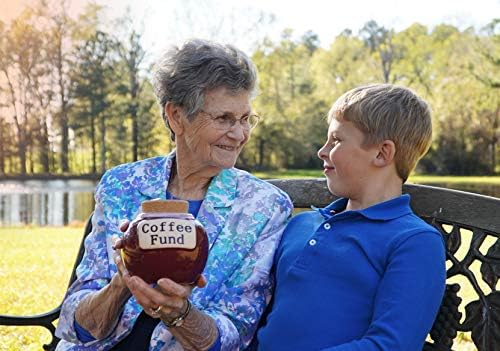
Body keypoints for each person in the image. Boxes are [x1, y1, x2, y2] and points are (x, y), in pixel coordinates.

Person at [55, 39, 293, 351]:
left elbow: (235, 335)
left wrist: (179, 313)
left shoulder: (263, 207)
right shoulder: (123, 184)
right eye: (224, 119)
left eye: (246, 118)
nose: (240, 134)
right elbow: (75, 325)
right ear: (177, 116)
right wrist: (122, 283)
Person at [255, 84, 446, 350]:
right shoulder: (301, 225)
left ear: (382, 153)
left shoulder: (414, 242)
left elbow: (391, 344)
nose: (322, 151)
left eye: (336, 140)